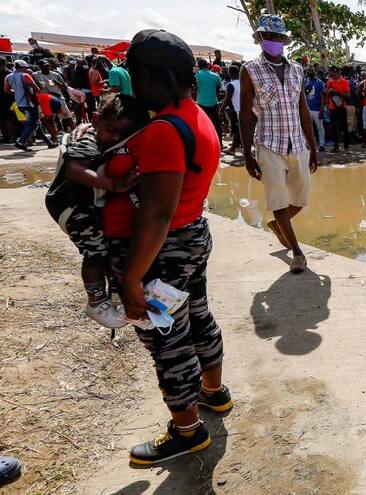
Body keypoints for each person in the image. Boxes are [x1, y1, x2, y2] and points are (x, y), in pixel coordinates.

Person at [105, 28, 229, 465]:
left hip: (166, 250)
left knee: (168, 341)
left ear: (156, 77)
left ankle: (187, 432)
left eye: (136, 76)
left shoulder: (163, 131)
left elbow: (156, 214)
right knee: (197, 317)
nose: (133, 86)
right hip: (193, 235)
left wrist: (131, 278)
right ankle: (214, 393)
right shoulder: (198, 116)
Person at [44, 94, 149, 328]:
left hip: (84, 204)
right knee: (96, 252)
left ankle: (109, 297)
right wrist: (114, 185)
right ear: (95, 119)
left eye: (123, 135)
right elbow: (74, 169)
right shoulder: (88, 140)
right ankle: (96, 302)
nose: (116, 138)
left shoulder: (104, 138)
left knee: (105, 249)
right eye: (111, 130)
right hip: (71, 206)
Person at [240, 14, 320, 273]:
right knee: (277, 199)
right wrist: (247, 155)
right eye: (269, 37)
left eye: (278, 37)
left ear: (284, 40)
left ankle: (277, 225)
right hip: (268, 144)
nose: (274, 41)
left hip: (297, 143)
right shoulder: (249, 70)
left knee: (301, 197)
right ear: (260, 39)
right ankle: (297, 252)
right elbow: (245, 114)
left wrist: (313, 146)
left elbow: (304, 111)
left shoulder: (297, 69)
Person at [3, 60, 56, 151]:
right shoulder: (25, 76)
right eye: (25, 68)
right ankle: (21, 142)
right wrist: (42, 100)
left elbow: (7, 90)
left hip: (20, 104)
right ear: (22, 67)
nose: (26, 69)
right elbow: (37, 89)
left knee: (36, 123)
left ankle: (49, 143)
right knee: (32, 124)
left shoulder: (8, 77)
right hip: (29, 104)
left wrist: (18, 94)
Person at [195, 58, 223, 144]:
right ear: (207, 66)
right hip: (213, 103)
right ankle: (219, 143)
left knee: (201, 124)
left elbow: (194, 87)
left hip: (201, 103)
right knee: (217, 124)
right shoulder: (215, 76)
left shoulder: (196, 75)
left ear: (198, 66)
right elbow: (219, 88)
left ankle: (203, 142)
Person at [325, 66, 350, 152]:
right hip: (332, 108)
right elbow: (327, 95)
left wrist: (337, 92)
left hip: (341, 107)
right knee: (333, 128)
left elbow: (348, 95)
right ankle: (336, 146)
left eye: (331, 72)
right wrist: (327, 105)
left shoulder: (344, 82)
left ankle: (346, 147)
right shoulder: (329, 82)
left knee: (344, 127)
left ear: (335, 72)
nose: (329, 73)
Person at [220, 64, 242, 155]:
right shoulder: (242, 82)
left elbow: (228, 99)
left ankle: (232, 149)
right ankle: (240, 145)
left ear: (231, 73)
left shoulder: (231, 85)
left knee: (236, 129)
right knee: (240, 129)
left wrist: (221, 109)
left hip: (236, 110)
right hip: (244, 109)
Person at [303, 67, 326, 151]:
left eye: (312, 71)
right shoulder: (305, 81)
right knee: (307, 128)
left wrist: (322, 109)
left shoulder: (319, 82)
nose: (310, 72)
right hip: (307, 108)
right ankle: (307, 145)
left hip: (317, 109)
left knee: (320, 127)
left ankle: (322, 145)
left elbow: (323, 97)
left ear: (315, 72)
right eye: (309, 71)